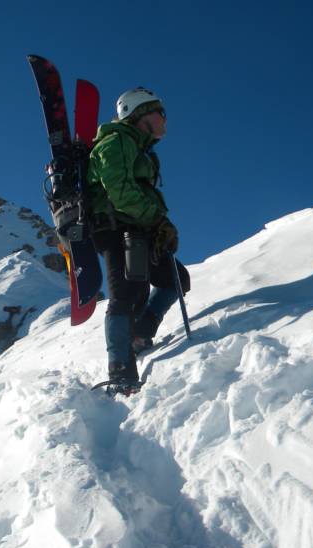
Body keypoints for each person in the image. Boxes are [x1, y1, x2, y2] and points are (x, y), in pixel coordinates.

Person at [86, 86, 191, 386]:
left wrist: (159, 225)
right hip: (115, 228)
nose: (165, 119)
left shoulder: (138, 148)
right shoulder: (115, 141)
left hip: (140, 228)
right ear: (140, 114)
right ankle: (120, 370)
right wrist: (158, 220)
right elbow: (119, 192)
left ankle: (140, 335)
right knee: (124, 295)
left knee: (176, 280)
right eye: (160, 113)